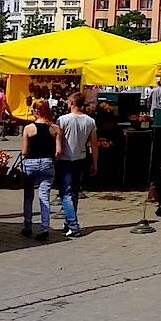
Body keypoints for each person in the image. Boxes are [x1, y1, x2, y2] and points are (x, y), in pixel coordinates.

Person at [20, 99, 68, 242]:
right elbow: (59, 151)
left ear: (35, 111)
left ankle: (27, 225)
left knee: (28, 195)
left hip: (30, 163)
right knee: (44, 196)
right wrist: (52, 160)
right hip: (47, 162)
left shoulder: (28, 128)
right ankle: (44, 227)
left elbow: (24, 151)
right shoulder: (55, 129)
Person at [55, 93, 95, 237]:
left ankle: (73, 224)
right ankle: (68, 222)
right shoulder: (90, 121)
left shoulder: (63, 120)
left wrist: (55, 158)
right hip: (81, 159)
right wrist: (95, 163)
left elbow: (58, 141)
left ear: (72, 103)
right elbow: (94, 144)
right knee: (74, 192)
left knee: (65, 193)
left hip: (65, 159)